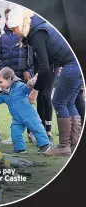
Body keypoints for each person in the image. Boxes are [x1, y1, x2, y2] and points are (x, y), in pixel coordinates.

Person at [7, 6, 83, 156]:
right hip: (74, 64)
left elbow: (45, 68)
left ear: (21, 24)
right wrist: (36, 78)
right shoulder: (39, 28)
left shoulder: (37, 33)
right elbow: (47, 63)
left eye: (14, 29)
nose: (14, 32)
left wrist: (34, 92)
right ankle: (74, 143)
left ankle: (63, 146)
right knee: (69, 102)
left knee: (59, 102)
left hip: (71, 65)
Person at [0, 67, 52, 154]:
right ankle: (20, 148)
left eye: (1, 82)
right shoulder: (3, 94)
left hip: (29, 116)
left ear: (9, 79)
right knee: (15, 133)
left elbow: (27, 88)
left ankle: (45, 145)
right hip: (17, 119)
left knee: (37, 129)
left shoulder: (19, 86)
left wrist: (30, 85)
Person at [0, 8, 35, 143]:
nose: (9, 20)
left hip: (22, 74)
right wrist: (3, 72)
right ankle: (15, 134)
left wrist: (27, 70)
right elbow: (0, 56)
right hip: (9, 77)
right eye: (7, 17)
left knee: (25, 104)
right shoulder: (2, 37)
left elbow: (28, 53)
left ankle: (31, 132)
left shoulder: (22, 33)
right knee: (13, 106)